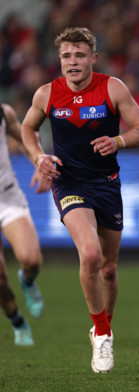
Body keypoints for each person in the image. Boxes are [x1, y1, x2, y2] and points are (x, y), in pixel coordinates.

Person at [21, 27, 139, 372]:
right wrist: (38, 157)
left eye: (80, 55)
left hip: (107, 184)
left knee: (109, 269)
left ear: (93, 58)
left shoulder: (112, 87)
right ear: (59, 60)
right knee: (91, 255)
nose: (73, 62)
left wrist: (119, 141)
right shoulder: (47, 93)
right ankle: (104, 335)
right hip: (69, 183)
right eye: (67, 56)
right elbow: (27, 128)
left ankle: (102, 326)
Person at [0, 103, 49, 346]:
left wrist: (39, 165)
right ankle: (18, 322)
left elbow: (25, 137)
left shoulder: (3, 113)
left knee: (32, 260)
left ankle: (27, 280)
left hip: (6, 197)